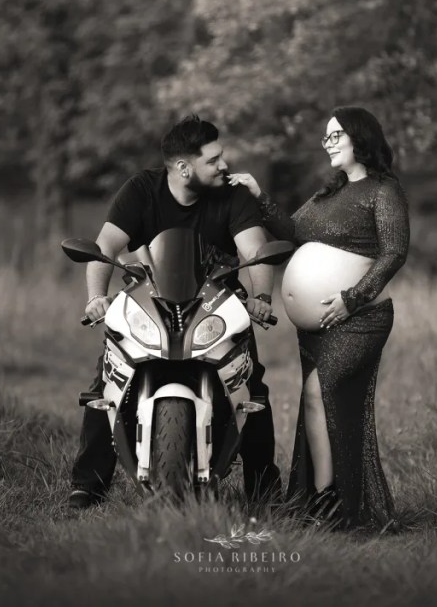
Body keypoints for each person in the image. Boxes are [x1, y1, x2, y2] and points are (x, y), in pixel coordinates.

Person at [68, 114, 282, 510]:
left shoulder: (232, 195)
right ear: (184, 168)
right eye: (213, 159)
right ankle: (87, 486)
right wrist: (96, 297)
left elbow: (254, 251)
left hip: (217, 302)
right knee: (110, 375)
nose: (224, 165)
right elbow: (105, 247)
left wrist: (261, 298)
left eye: (222, 157)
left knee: (251, 385)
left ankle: (264, 491)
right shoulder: (141, 190)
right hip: (151, 298)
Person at [227, 105, 409, 531]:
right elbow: (292, 232)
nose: (327, 143)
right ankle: (328, 500)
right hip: (318, 329)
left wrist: (353, 297)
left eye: (335, 135)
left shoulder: (383, 192)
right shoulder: (329, 193)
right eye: (325, 136)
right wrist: (258, 196)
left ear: (360, 138)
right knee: (323, 403)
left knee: (318, 393)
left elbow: (394, 252)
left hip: (359, 319)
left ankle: (330, 502)